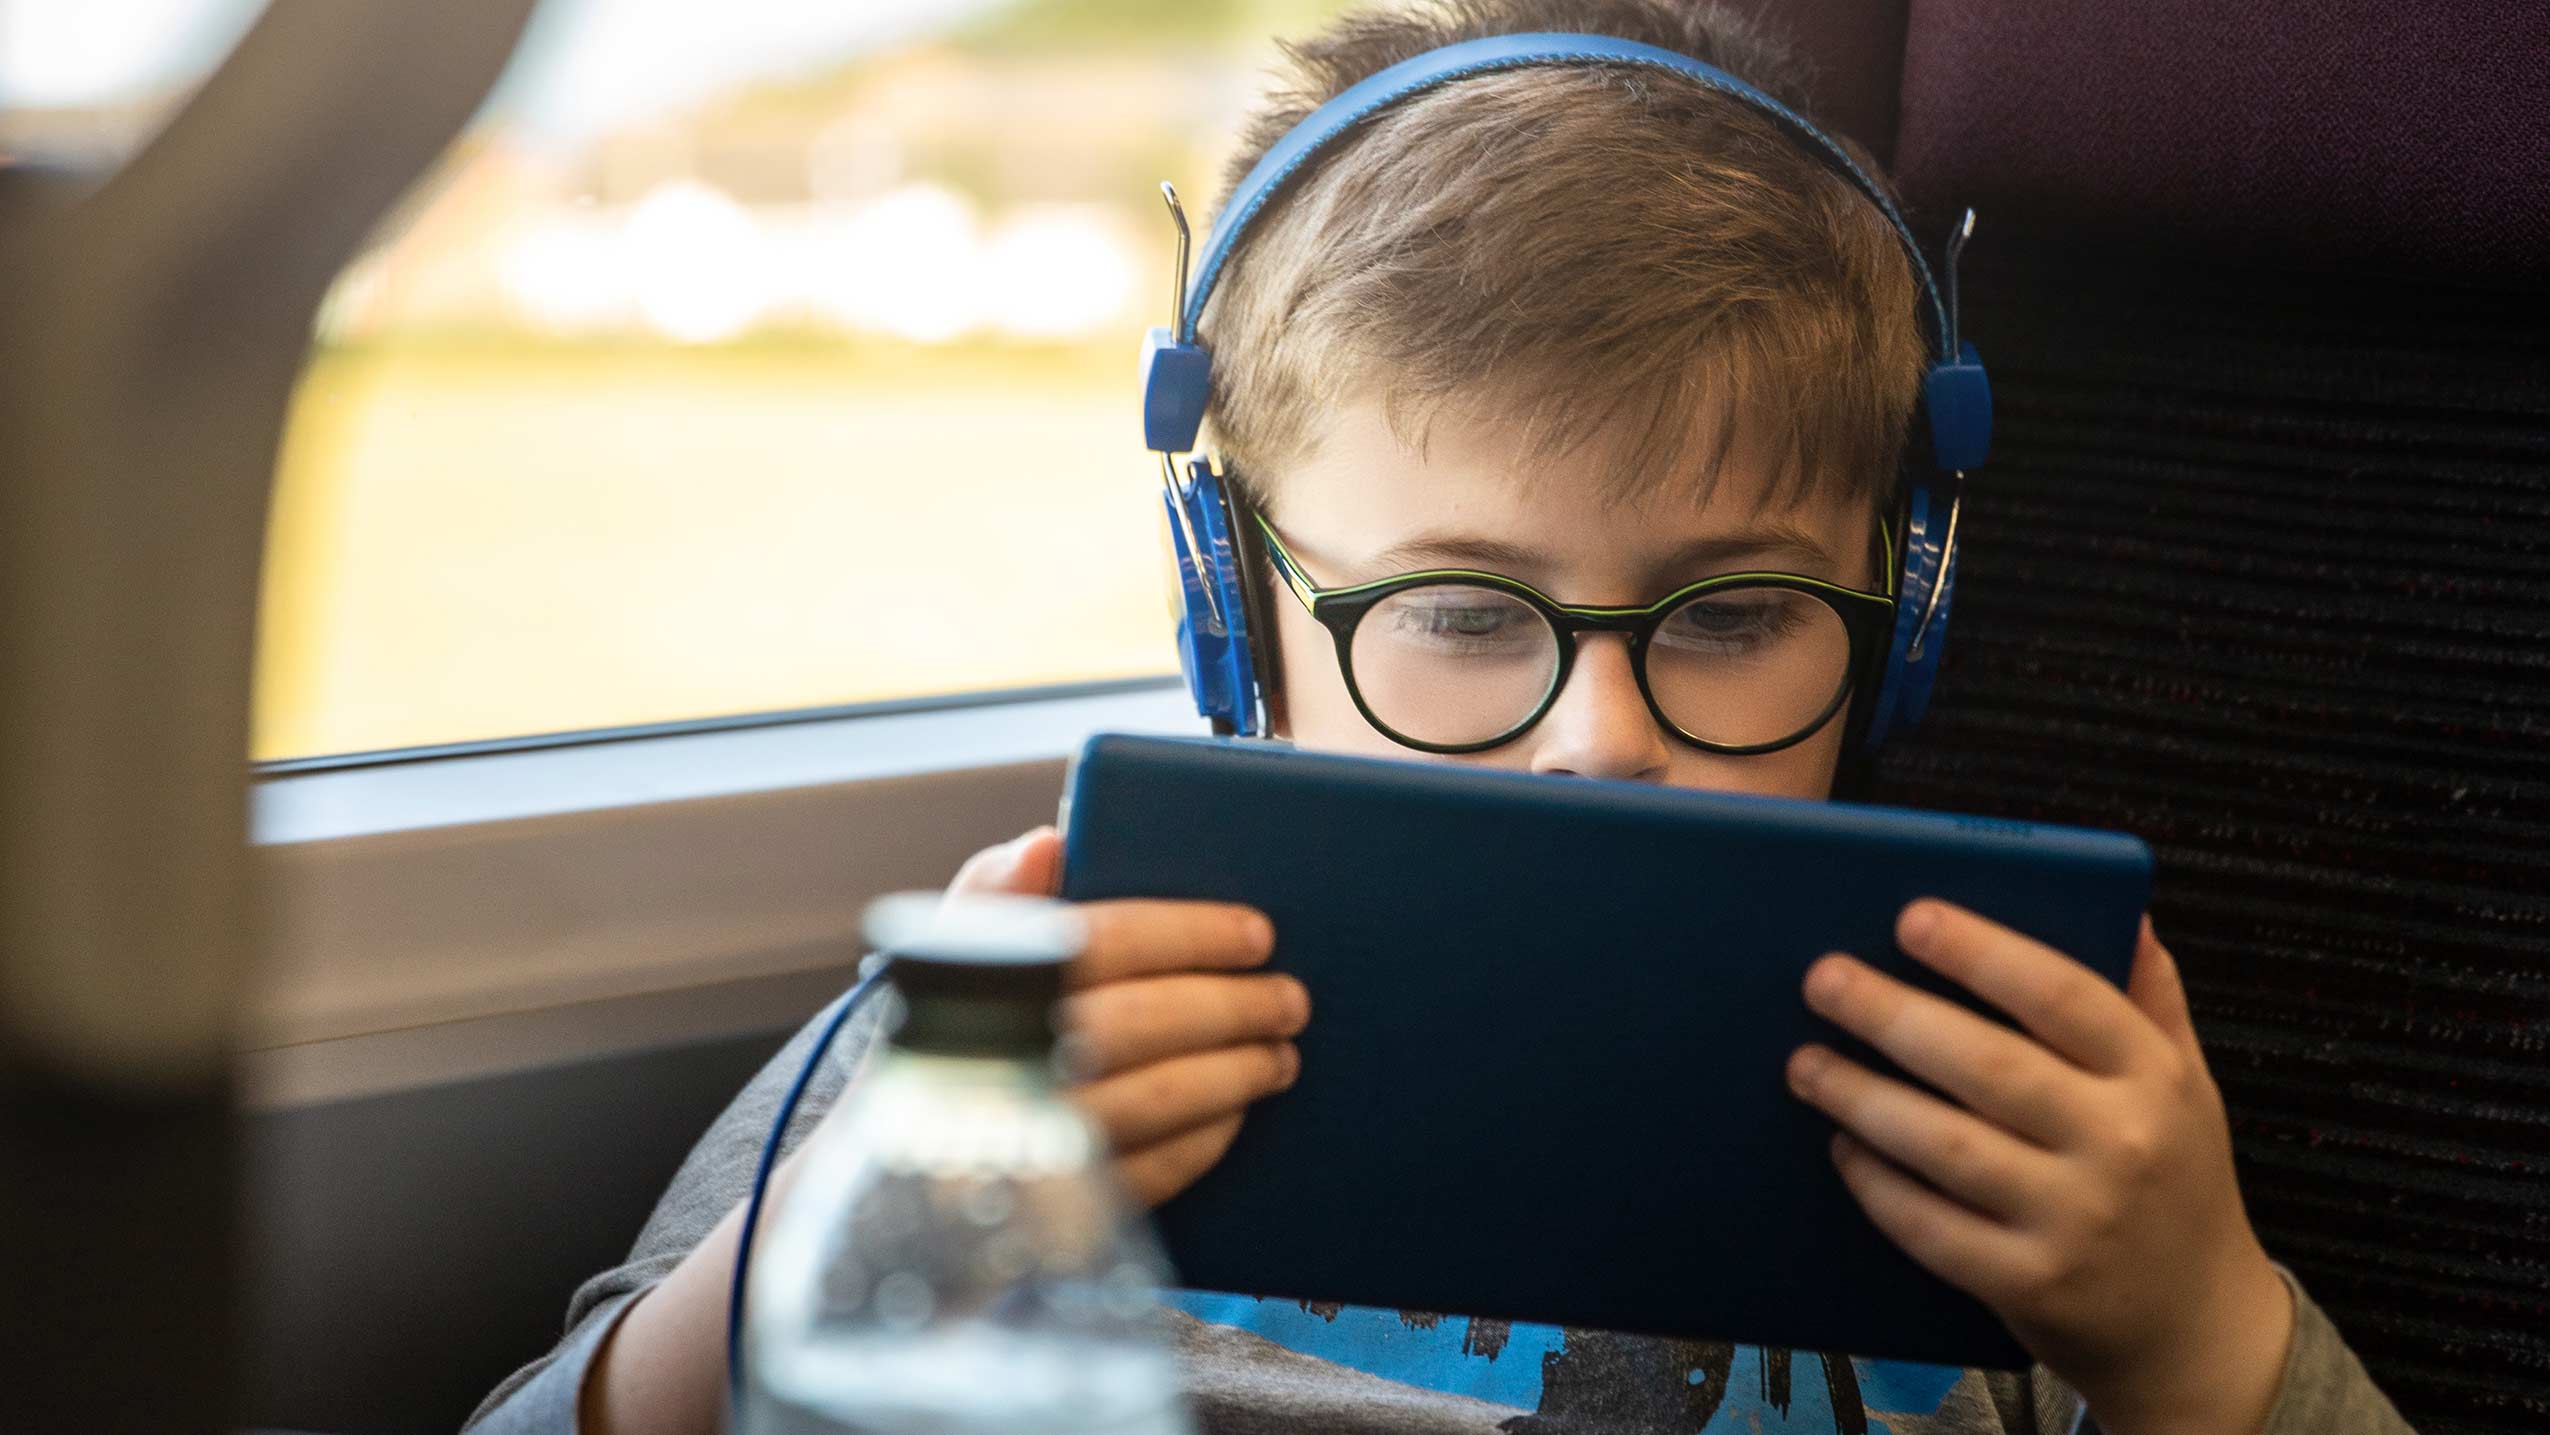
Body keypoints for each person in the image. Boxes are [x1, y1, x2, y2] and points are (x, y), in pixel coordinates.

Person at [469, 2, 2416, 1431]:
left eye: (1734, 612)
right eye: (1466, 612)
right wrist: (819, 1243)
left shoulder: (1997, 1114)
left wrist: (2197, 1335)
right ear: (1237, 622)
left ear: (1898, 632)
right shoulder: (1007, 1031)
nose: (1599, 739)